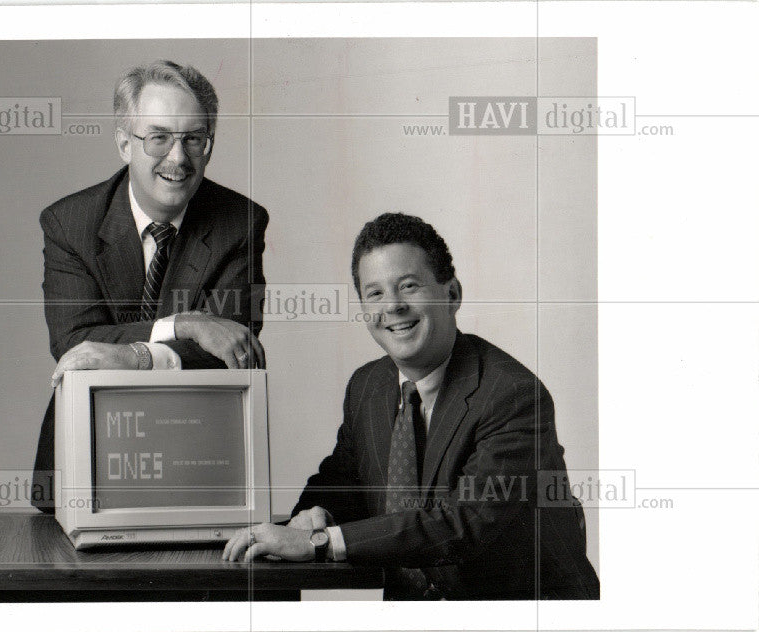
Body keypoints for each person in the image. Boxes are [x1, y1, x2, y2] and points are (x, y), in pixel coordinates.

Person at [223, 213, 599, 600]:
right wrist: (314, 514)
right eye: (375, 294)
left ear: (452, 295)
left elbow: (465, 523)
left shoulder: (512, 394)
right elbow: (343, 482)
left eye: (409, 286)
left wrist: (320, 543)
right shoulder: (367, 386)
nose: (393, 306)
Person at [31, 60, 268, 511]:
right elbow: (73, 341)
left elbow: (235, 347)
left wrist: (130, 355)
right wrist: (184, 325)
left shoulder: (241, 222)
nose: (178, 158)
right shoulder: (69, 223)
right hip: (85, 458)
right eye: (158, 137)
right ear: (125, 142)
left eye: (193, 138)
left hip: (196, 456)